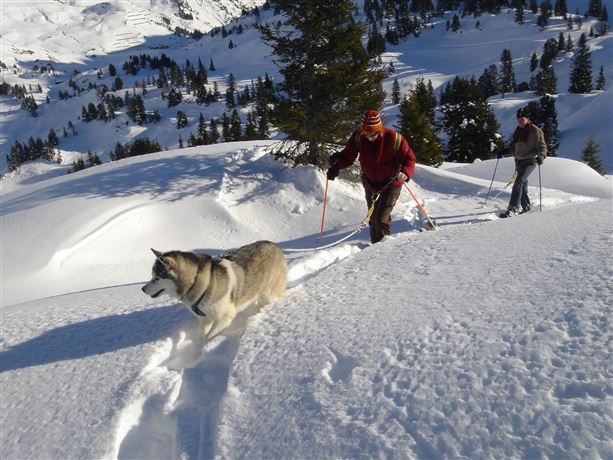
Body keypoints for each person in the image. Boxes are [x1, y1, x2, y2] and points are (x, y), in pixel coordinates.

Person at [326, 110, 416, 243]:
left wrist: (406, 172)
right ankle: (375, 249)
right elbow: (348, 156)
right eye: (365, 133)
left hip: (391, 184)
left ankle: (383, 251)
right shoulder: (358, 137)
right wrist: (336, 166)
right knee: (373, 219)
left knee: (381, 219)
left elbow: (409, 159)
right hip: (370, 184)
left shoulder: (395, 138)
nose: (368, 137)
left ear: (379, 130)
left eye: (372, 134)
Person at [500, 107, 547, 218]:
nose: (520, 121)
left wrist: (541, 156)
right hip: (518, 160)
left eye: (522, 119)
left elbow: (542, 146)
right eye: (518, 119)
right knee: (523, 183)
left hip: (530, 160)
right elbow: (515, 145)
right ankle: (525, 207)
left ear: (527, 119)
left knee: (518, 182)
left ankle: (513, 208)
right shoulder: (518, 130)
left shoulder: (535, 131)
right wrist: (505, 151)